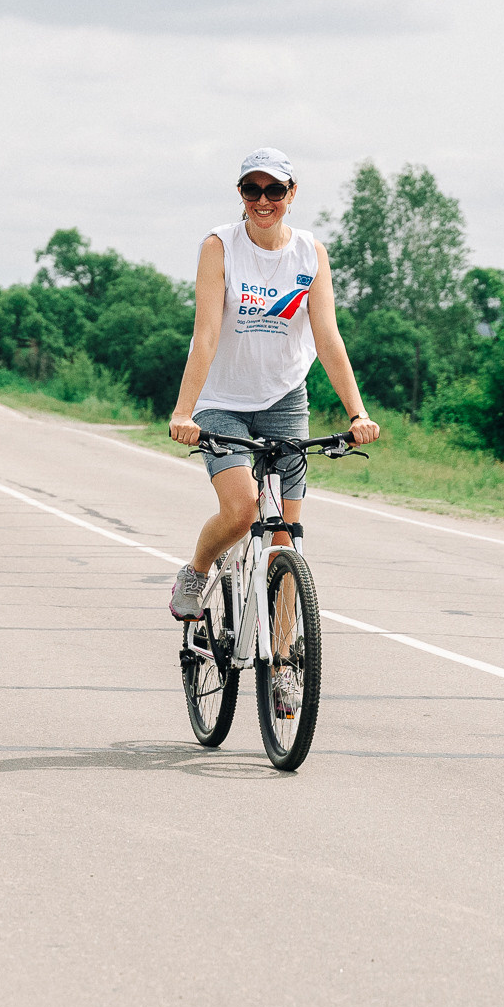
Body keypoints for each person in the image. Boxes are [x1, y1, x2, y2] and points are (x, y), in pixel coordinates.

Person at [164, 148, 380, 665]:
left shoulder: (310, 252)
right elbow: (207, 333)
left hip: (285, 399)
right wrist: (184, 411)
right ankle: (196, 571)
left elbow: (327, 336)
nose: (263, 201)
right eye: (252, 190)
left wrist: (357, 413)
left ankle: (283, 663)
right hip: (222, 402)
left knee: (285, 540)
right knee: (240, 512)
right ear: (240, 194)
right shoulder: (220, 247)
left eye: (274, 190)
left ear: (291, 194)